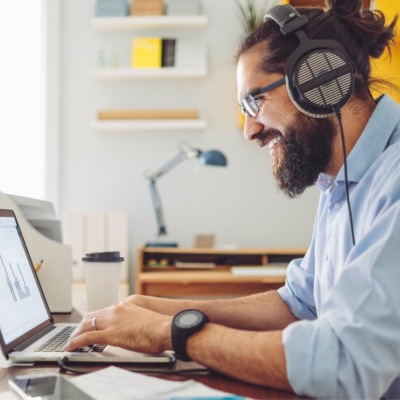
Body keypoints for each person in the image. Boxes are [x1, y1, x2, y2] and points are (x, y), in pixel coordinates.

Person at [66, 0, 400, 398]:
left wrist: (169, 333)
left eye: (253, 102)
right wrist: (154, 308)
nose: (249, 131)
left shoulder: (392, 181)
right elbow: (298, 305)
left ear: (317, 81)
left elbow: (344, 366)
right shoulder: (340, 183)